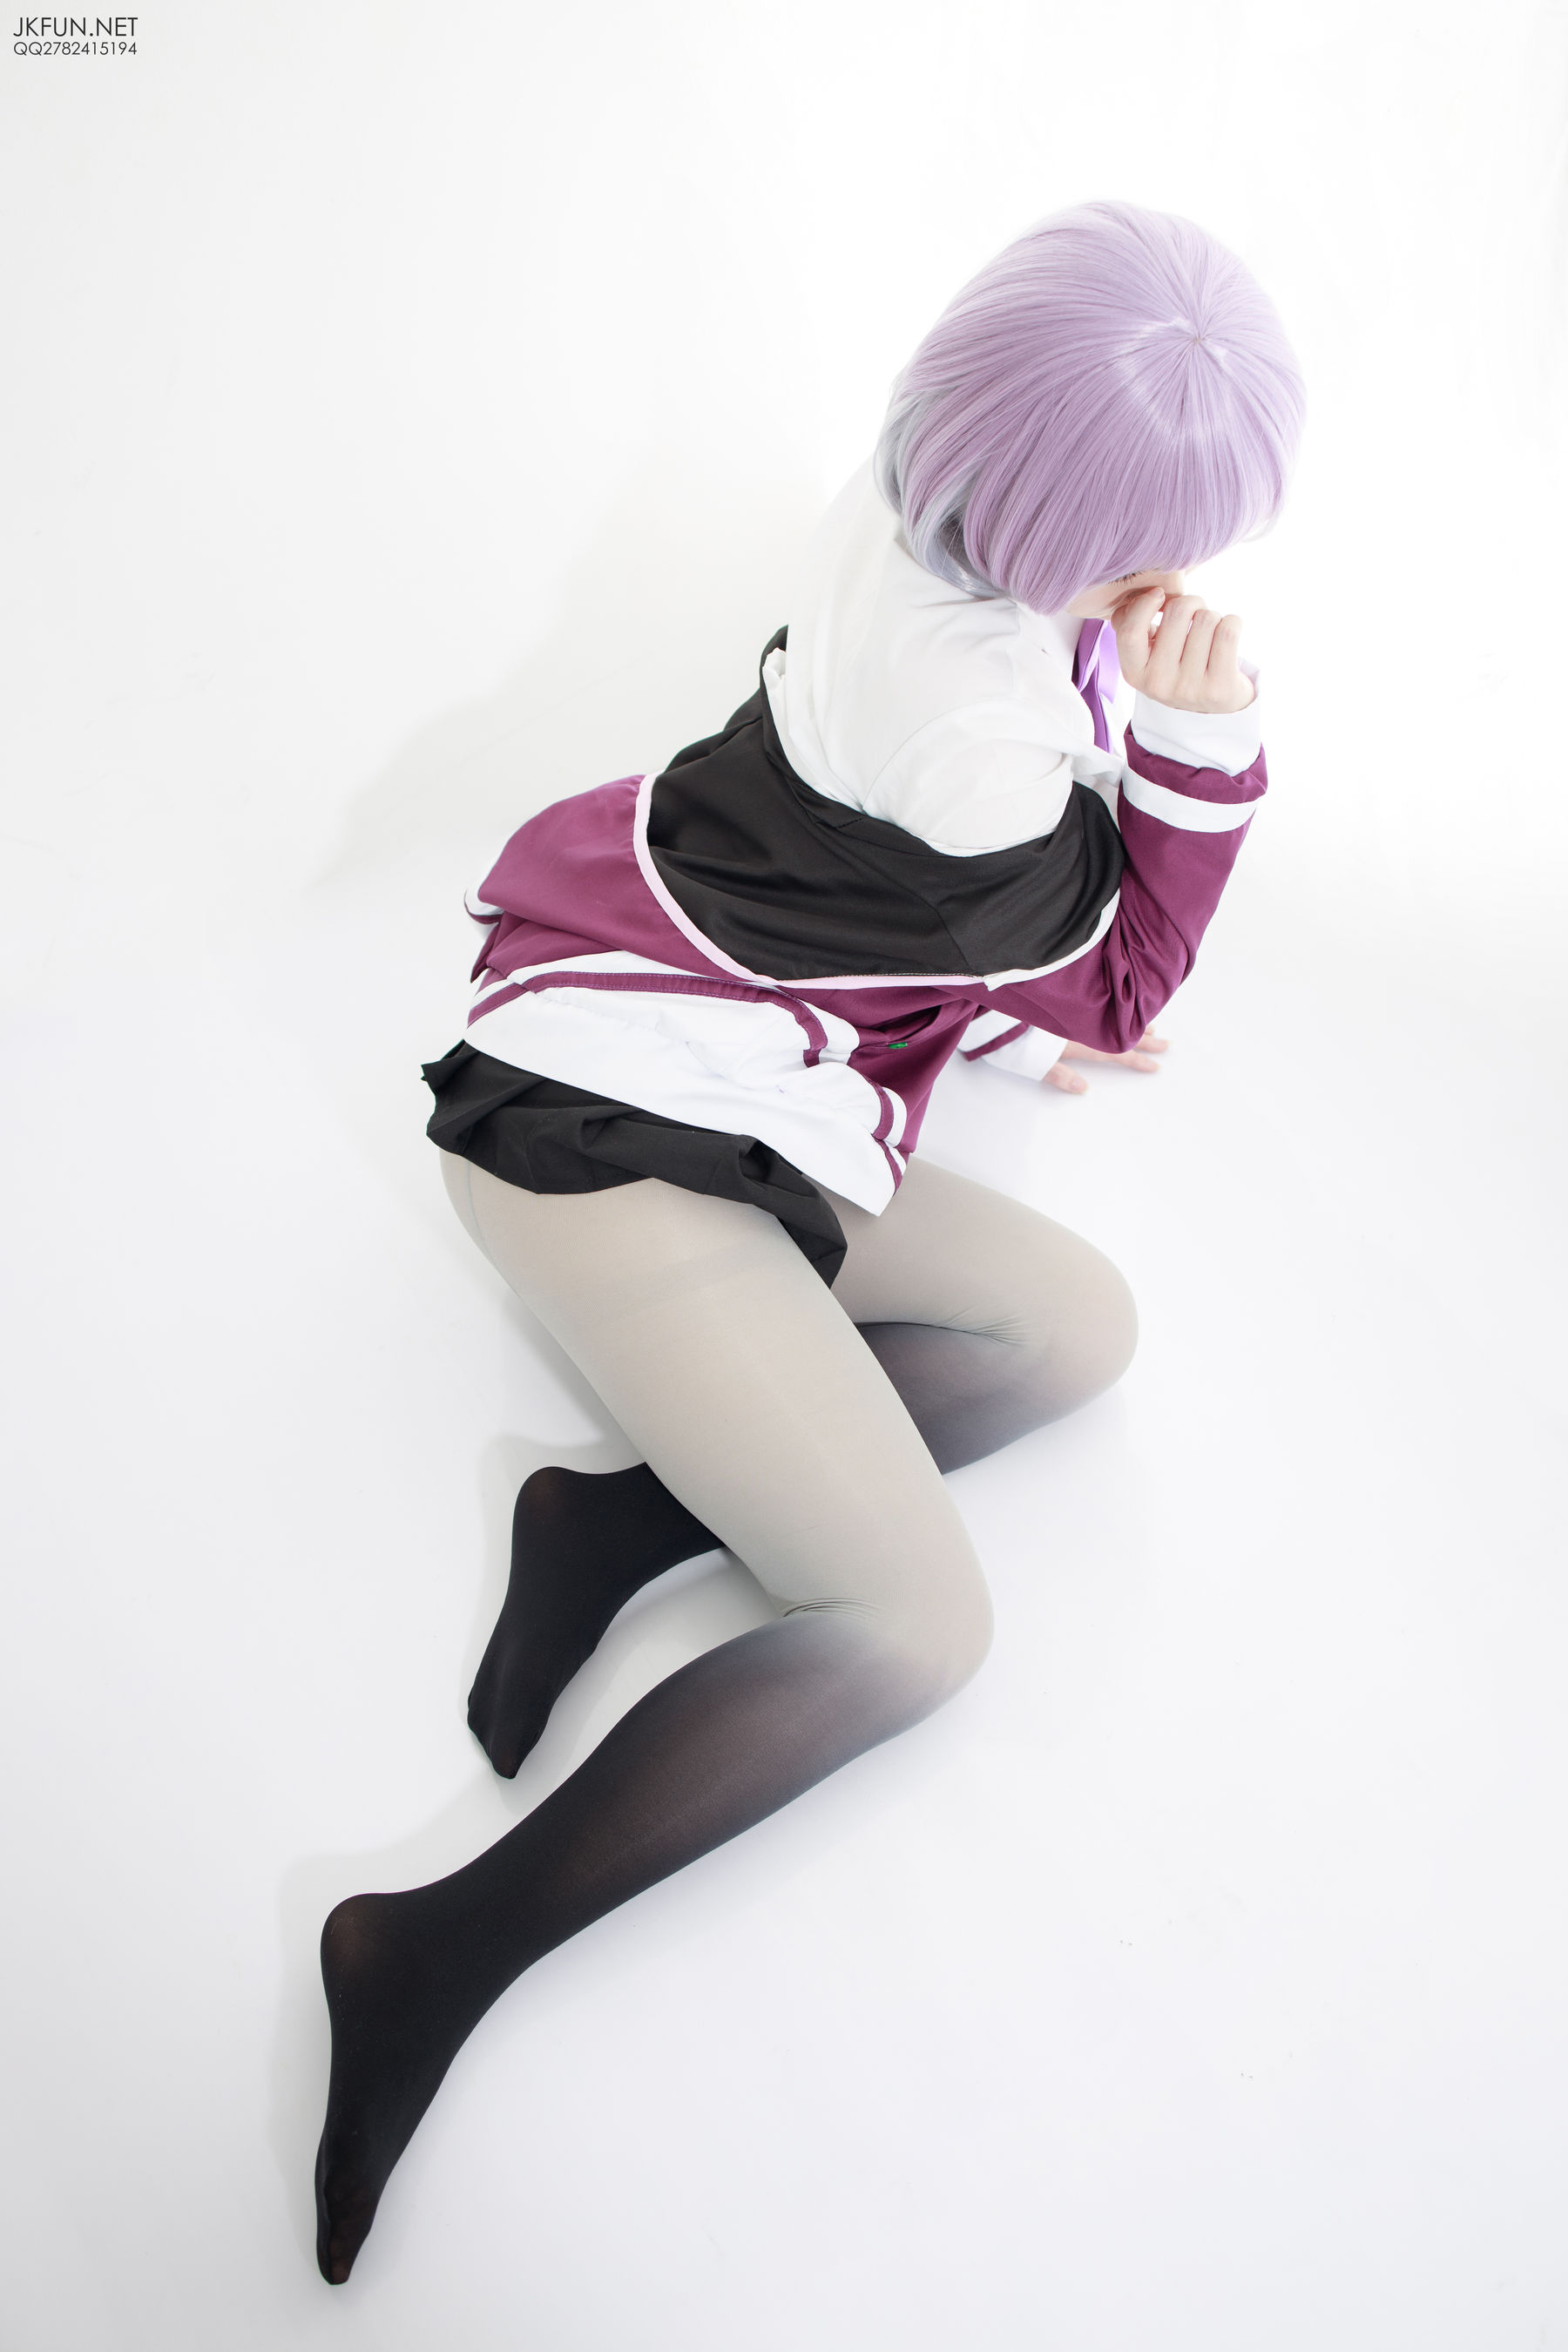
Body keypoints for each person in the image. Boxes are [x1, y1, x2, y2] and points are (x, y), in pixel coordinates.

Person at [312, 196, 1305, 2285]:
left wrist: (1003, 1013)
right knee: (917, 1632)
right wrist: (1202, 744)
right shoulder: (992, 734)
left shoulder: (915, 487)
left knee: (1078, 1327)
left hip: (744, 1051)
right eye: (1155, 552)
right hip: (614, 1142)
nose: (1174, 591)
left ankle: (615, 1517)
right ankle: (424, 1948)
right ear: (1076, 524)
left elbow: (896, 882)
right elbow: (1125, 977)